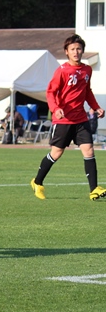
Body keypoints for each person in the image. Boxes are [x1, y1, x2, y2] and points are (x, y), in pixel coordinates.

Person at [30, 34, 106, 200]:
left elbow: (87, 91)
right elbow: (50, 92)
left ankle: (94, 189)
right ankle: (37, 182)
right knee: (56, 153)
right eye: (72, 49)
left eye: (79, 49)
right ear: (66, 52)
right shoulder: (62, 71)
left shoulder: (87, 70)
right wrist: (56, 108)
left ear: (82, 51)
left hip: (81, 119)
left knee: (89, 150)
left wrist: (96, 107)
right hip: (64, 120)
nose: (76, 52)